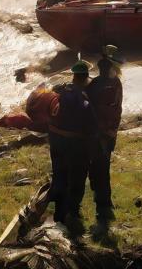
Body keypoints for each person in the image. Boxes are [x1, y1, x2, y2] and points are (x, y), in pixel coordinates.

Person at [48, 60, 96, 234]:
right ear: (85, 78)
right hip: (75, 145)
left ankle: (59, 214)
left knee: (60, 175)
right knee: (76, 179)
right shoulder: (83, 100)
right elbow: (90, 125)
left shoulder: (60, 91)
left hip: (55, 142)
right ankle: (72, 213)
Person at [85, 45, 124, 228]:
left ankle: (102, 204)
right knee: (101, 169)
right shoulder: (114, 83)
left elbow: (91, 109)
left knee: (98, 169)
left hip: (99, 135)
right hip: (107, 134)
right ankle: (103, 203)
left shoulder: (98, 85)